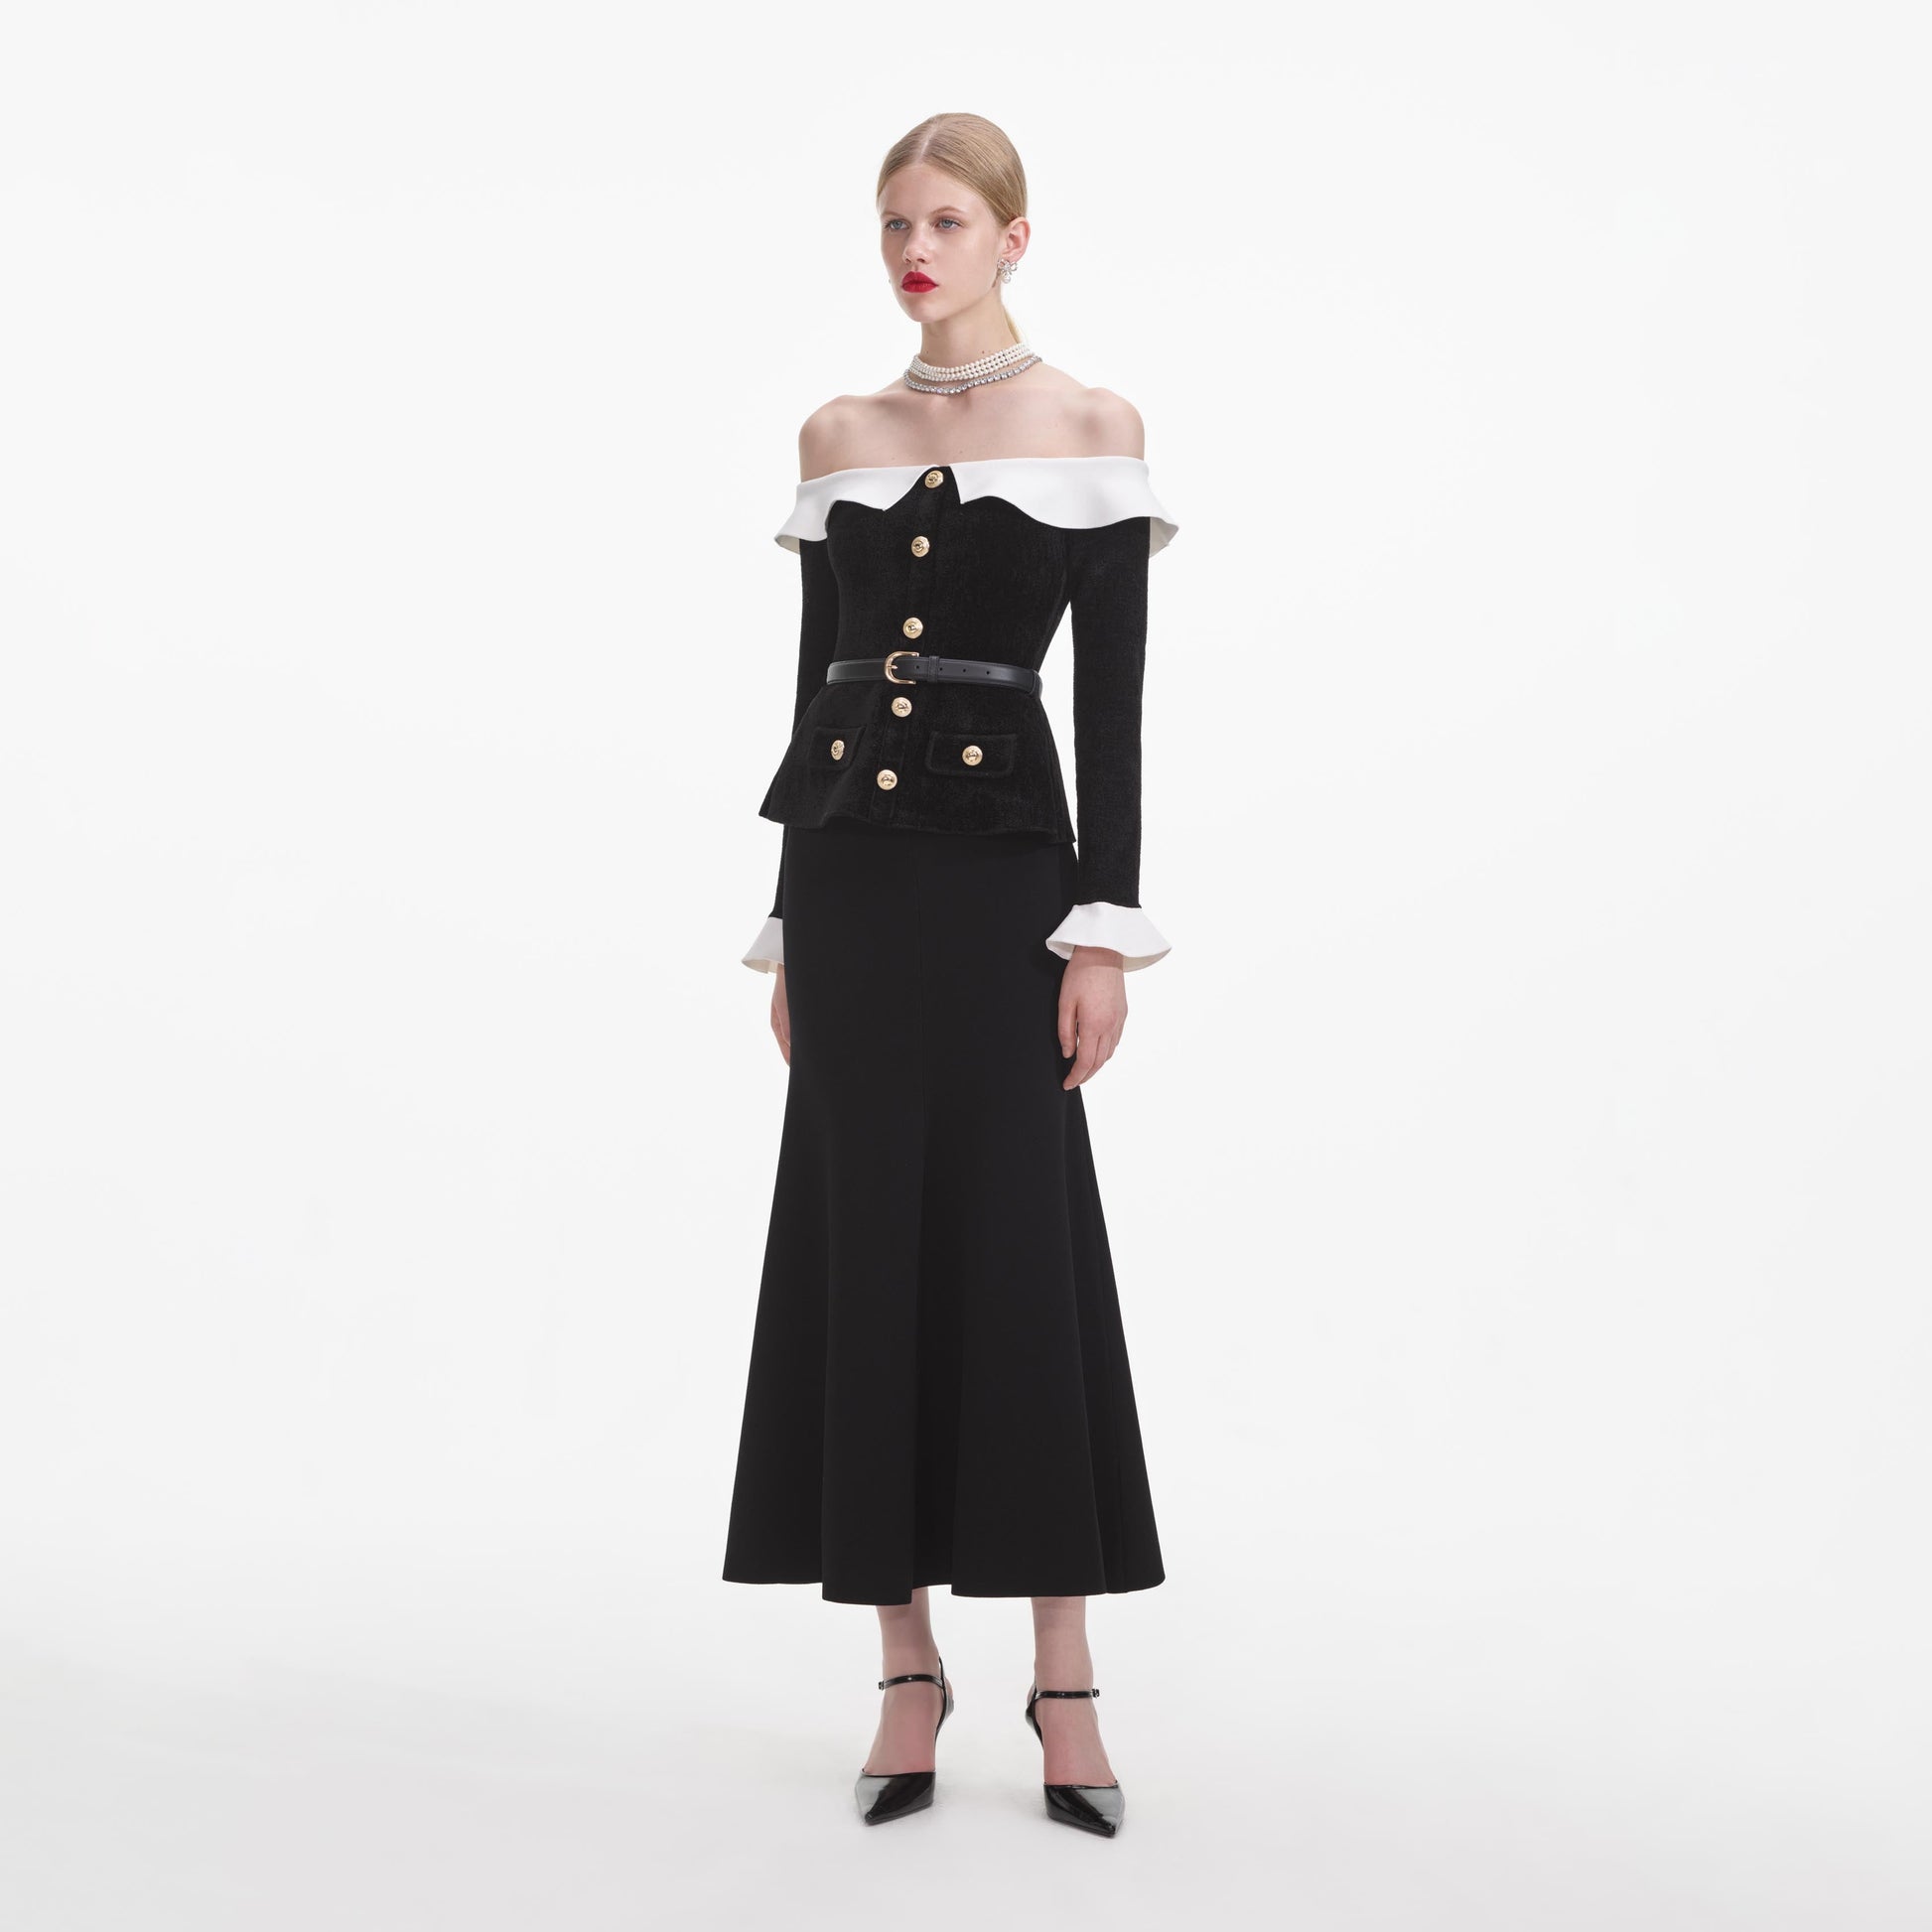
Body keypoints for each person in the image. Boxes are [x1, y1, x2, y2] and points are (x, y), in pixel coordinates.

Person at [721, 111, 1178, 1840]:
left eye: (947, 223)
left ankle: (1064, 1676)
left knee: (1015, 1240)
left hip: (1004, 896)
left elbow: (1113, 706)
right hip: (850, 891)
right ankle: (903, 1670)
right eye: (894, 224)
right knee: (865, 1238)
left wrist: (1102, 926)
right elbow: (813, 690)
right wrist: (787, 926)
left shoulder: (1091, 428)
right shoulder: (838, 435)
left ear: (1013, 238)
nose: (915, 250)